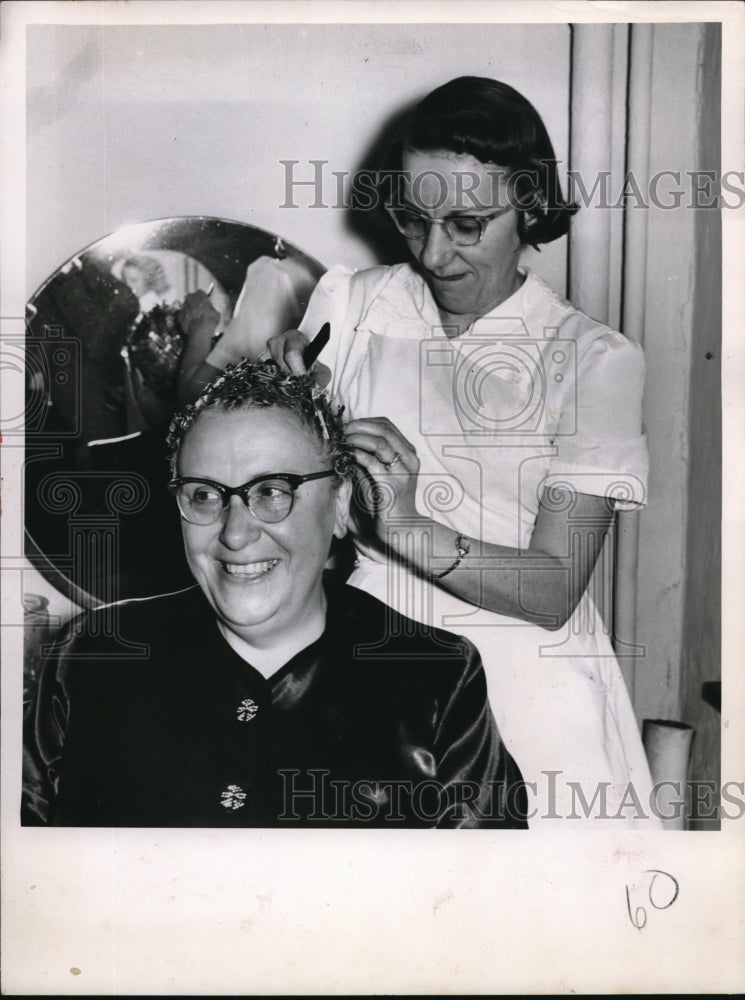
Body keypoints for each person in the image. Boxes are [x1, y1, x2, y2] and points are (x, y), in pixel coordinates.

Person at [268, 76, 658, 826]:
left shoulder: (592, 360)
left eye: (467, 223)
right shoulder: (350, 306)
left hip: (524, 695)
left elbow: (552, 591)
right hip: (366, 675)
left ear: (533, 207)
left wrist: (408, 525)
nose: (434, 253)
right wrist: (280, 406)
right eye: (413, 219)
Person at [22, 358, 527, 828]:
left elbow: (483, 900)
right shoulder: (90, 654)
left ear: (339, 505)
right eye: (203, 494)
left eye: (271, 491)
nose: (235, 534)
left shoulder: (437, 675)